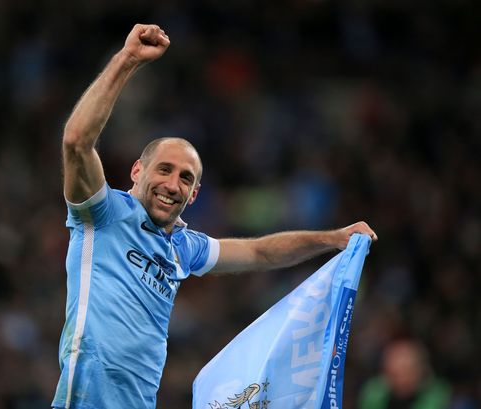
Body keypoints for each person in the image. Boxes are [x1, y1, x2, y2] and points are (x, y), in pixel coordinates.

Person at [53, 23, 378, 409]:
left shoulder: (184, 247)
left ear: (194, 195)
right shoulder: (104, 213)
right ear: (137, 171)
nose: (173, 184)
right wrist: (127, 61)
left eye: (185, 178)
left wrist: (332, 239)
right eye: (164, 169)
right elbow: (76, 141)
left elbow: (260, 253)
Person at [359, 339, 451, 409]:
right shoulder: (374, 391)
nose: (400, 380)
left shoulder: (436, 394)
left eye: (406, 372)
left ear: (420, 371)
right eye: (394, 374)